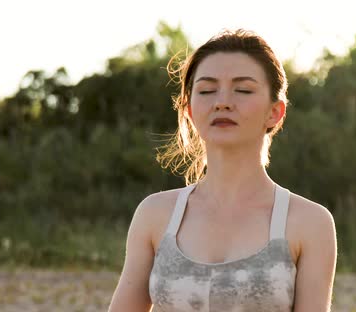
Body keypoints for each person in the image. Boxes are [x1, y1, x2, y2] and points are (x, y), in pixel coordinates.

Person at [108, 29, 337, 312]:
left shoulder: (310, 222)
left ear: (275, 112)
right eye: (206, 90)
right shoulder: (155, 214)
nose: (223, 102)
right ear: (190, 111)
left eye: (243, 90)